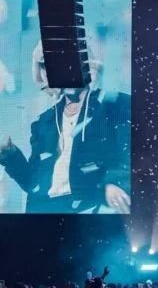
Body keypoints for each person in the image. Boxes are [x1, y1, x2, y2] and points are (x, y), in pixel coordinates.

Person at [0, 51, 130, 214]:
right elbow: (34, 183)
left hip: (89, 207)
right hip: (43, 211)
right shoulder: (43, 122)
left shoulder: (116, 104)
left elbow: (133, 151)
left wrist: (115, 181)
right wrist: (11, 156)